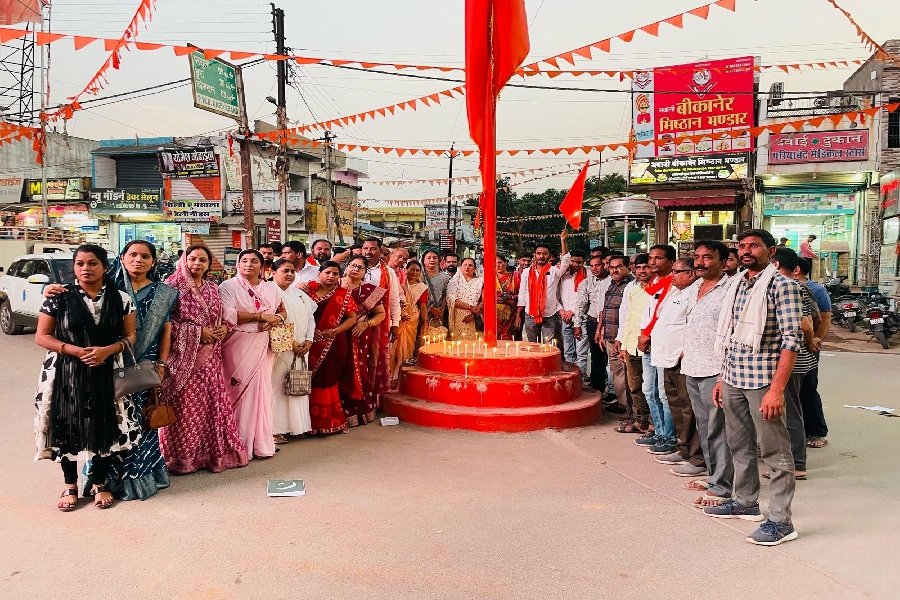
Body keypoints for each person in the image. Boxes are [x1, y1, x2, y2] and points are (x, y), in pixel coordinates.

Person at [704, 229, 803, 547]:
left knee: (775, 451)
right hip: (733, 377)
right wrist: (722, 378)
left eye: (754, 246)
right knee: (739, 444)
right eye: (742, 246)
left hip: (763, 381)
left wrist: (777, 390)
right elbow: (730, 336)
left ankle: (781, 522)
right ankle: (745, 502)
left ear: (770, 251)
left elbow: (792, 341)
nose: (746, 251)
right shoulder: (736, 284)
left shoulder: (783, 286)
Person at [34, 244, 137, 511]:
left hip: (106, 368)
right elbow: (42, 337)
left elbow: (130, 336)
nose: (85, 268)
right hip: (66, 370)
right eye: (80, 264)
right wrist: (76, 351)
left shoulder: (121, 299)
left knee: (104, 423)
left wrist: (108, 350)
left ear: (105, 267)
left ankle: (98, 483)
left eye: (92, 263)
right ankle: (70, 485)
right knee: (66, 423)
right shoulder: (59, 297)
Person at [159, 245, 248, 474]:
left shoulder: (211, 287)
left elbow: (220, 316)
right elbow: (164, 322)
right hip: (183, 360)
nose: (197, 264)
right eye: (192, 259)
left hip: (210, 358)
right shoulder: (171, 286)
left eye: (202, 260)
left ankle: (209, 455)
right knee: (185, 408)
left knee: (209, 407)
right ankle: (182, 458)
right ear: (184, 260)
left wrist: (222, 328)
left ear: (209, 264)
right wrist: (198, 333)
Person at [680, 241, 734, 504]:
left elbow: (732, 333)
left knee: (718, 429)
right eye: (697, 257)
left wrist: (724, 375)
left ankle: (723, 486)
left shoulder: (730, 290)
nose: (700, 262)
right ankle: (714, 476)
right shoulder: (694, 288)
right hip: (692, 366)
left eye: (707, 257)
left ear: (723, 262)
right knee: (704, 427)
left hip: (716, 369)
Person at [219, 249, 285, 459]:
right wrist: (260, 317)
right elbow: (227, 314)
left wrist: (275, 320)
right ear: (238, 265)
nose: (248, 264)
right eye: (244, 260)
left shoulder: (271, 288)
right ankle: (236, 443)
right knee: (237, 390)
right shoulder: (227, 286)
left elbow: (281, 311)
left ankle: (259, 442)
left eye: (254, 261)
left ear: (262, 266)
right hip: (237, 344)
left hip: (262, 344)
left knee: (261, 392)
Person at [650, 259, 705, 475]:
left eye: (677, 271)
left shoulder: (696, 292)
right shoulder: (676, 292)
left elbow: (693, 325)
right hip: (666, 358)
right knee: (675, 404)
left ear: (691, 273)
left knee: (687, 408)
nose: (672, 275)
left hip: (683, 359)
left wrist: (685, 349)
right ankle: (684, 450)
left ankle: (697, 458)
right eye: (672, 271)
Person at [773, 247, 820, 480]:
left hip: (793, 359)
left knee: (789, 411)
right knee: (790, 410)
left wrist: (810, 342)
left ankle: (797, 464)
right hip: (796, 358)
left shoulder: (790, 287)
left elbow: (805, 324)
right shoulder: (797, 286)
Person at [306, 261, 359, 434]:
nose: (331, 276)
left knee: (328, 378)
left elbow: (352, 318)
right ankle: (306, 423)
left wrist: (335, 331)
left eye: (335, 274)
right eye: (327, 272)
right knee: (310, 379)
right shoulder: (307, 292)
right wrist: (309, 332)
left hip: (334, 342)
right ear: (319, 274)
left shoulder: (343, 294)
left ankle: (330, 422)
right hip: (309, 342)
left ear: (339, 277)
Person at [634, 245, 676, 454]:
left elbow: (662, 316)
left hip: (661, 345)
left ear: (670, 262)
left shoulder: (674, 285)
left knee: (664, 394)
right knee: (649, 391)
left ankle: (669, 436)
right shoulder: (653, 284)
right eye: (651, 258)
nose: (652, 262)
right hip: (648, 344)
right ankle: (659, 431)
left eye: (658, 258)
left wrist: (647, 335)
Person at [270, 259, 316, 443]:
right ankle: (275, 429)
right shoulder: (269, 292)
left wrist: (309, 339)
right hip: (280, 348)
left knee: (297, 385)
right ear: (273, 272)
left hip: (302, 348)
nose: (290, 274)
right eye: (285, 271)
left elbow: (311, 318)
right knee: (277, 387)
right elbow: (272, 321)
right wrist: (292, 343)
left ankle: (297, 427)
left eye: (292, 271)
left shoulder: (300, 294)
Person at [341, 256, 387, 426]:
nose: (355, 269)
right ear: (346, 267)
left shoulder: (370, 290)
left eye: (360, 267)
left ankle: (360, 411)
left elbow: (381, 314)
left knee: (360, 371)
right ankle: (340, 414)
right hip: (337, 334)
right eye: (352, 265)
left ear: (365, 272)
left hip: (360, 335)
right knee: (339, 371)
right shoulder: (334, 284)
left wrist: (366, 323)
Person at [796, 257, 830, 448]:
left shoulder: (815, 289)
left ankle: (816, 431)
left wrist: (814, 341)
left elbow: (824, 318)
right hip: (790, 349)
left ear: (796, 269)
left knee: (808, 388)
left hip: (809, 347)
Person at [362, 237, 401, 402]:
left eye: (372, 249)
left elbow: (394, 299)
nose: (368, 252)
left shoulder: (388, 272)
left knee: (376, 358)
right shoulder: (355, 267)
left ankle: (373, 398)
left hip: (381, 321)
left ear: (380, 251)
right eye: (365, 248)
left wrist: (395, 323)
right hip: (355, 320)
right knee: (358, 359)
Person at [615, 253, 651, 433]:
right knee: (635, 387)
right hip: (631, 344)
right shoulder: (632, 287)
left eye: (645, 267)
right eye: (638, 268)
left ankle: (656, 425)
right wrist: (622, 343)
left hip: (650, 346)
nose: (642, 271)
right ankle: (640, 422)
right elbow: (625, 316)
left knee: (652, 389)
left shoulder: (661, 288)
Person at [516, 230, 571, 346]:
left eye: (545, 254)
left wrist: (563, 241)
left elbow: (565, 262)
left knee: (549, 347)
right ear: (535, 255)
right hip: (530, 314)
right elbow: (522, 294)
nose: (541, 256)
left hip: (550, 314)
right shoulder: (526, 272)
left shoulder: (555, 271)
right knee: (532, 346)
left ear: (549, 256)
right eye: (539, 253)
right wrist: (518, 315)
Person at [597, 255, 634, 426]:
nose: (615, 270)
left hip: (624, 338)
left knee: (629, 374)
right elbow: (605, 311)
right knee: (617, 372)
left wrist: (623, 337)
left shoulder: (631, 286)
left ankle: (632, 410)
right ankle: (622, 404)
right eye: (612, 267)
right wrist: (602, 331)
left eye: (619, 267)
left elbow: (629, 315)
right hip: (610, 336)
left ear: (627, 268)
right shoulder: (611, 285)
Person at [574, 252, 611, 392]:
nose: (594, 269)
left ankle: (613, 389)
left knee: (611, 357)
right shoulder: (586, 282)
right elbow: (580, 305)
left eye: (598, 265)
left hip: (611, 323)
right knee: (596, 355)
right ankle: (597, 385)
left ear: (604, 265)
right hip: (593, 322)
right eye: (591, 266)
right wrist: (577, 325)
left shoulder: (612, 281)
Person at [391, 259, 428, 383]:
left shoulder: (422, 288)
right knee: (393, 347)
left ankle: (400, 375)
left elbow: (423, 306)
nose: (415, 272)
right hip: (397, 318)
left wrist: (425, 323)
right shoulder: (399, 283)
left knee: (407, 348)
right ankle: (390, 373)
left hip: (412, 320)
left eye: (417, 270)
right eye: (412, 269)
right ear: (406, 270)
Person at [559, 250, 589, 378]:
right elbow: (554, 294)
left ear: (584, 262)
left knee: (581, 352)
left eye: (579, 262)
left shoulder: (588, 275)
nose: (576, 264)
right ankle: (570, 378)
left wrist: (572, 311)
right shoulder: (561, 274)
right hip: (564, 317)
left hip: (581, 318)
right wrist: (561, 310)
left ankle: (580, 379)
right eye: (573, 261)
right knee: (568, 351)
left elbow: (585, 299)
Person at [446, 257, 484, 340]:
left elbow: (485, 299)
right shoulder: (453, 282)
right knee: (459, 342)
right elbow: (452, 299)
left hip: (476, 315)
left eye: (470, 265)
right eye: (465, 265)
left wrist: (474, 314)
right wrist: (470, 307)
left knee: (476, 343)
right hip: (458, 316)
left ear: (474, 268)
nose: (467, 267)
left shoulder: (480, 281)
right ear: (460, 267)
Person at [422, 249, 451, 331]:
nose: (432, 260)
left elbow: (445, 295)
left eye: (434, 258)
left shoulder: (446, 278)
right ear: (423, 260)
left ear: (439, 260)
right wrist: (431, 309)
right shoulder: (419, 275)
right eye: (429, 258)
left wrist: (441, 310)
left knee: (438, 334)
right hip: (422, 311)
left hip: (439, 313)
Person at [495, 255, 518, 340]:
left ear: (506, 263)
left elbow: (522, 295)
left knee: (507, 340)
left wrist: (510, 297)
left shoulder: (515, 277)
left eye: (500, 262)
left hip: (511, 314)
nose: (498, 265)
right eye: (495, 263)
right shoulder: (488, 277)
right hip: (493, 315)